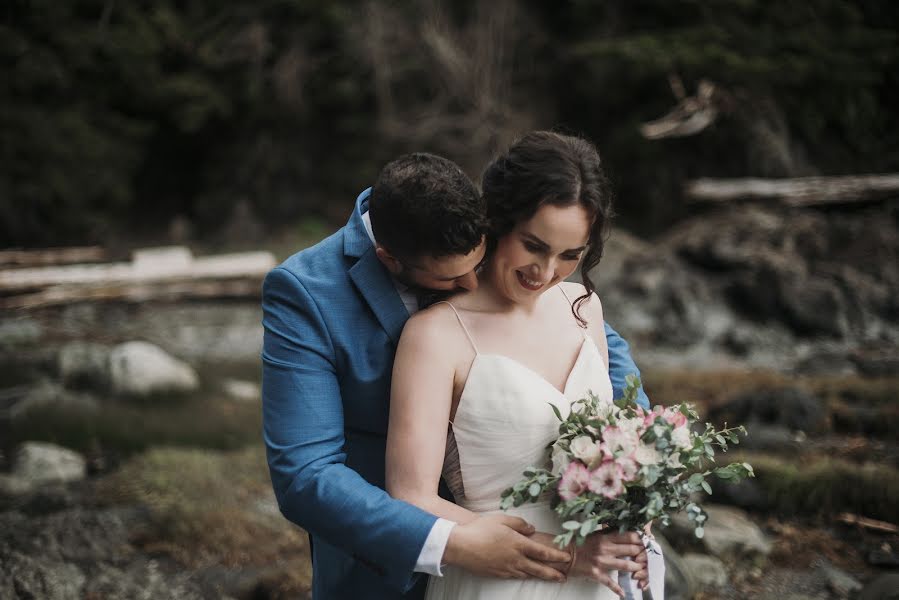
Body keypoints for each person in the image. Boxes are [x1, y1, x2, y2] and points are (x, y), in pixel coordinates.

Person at [262, 150, 651, 599]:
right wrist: (453, 540)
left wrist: (636, 470)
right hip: (392, 561)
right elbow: (306, 474)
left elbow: (608, 371)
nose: (472, 284)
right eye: (451, 280)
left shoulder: (479, 225)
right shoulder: (306, 293)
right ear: (390, 259)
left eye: (479, 263)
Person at [385, 131, 659, 599]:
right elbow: (410, 497)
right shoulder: (434, 335)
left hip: (599, 578)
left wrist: (637, 520)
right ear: (498, 221)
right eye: (534, 245)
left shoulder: (584, 306)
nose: (546, 271)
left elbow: (611, 445)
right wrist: (566, 554)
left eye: (570, 255)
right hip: (498, 577)